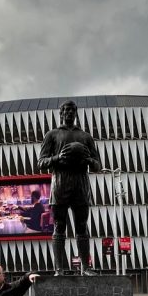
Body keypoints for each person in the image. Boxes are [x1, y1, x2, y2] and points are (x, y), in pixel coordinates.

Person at [37, 100, 102, 275]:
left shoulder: (85, 136)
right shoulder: (52, 135)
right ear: (61, 113)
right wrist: (57, 158)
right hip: (60, 185)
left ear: (76, 113)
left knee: (82, 226)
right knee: (59, 226)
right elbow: (41, 162)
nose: (69, 112)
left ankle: (86, 267)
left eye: (72, 110)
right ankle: (59, 268)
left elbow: (98, 165)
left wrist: (88, 160)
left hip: (80, 185)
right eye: (65, 109)